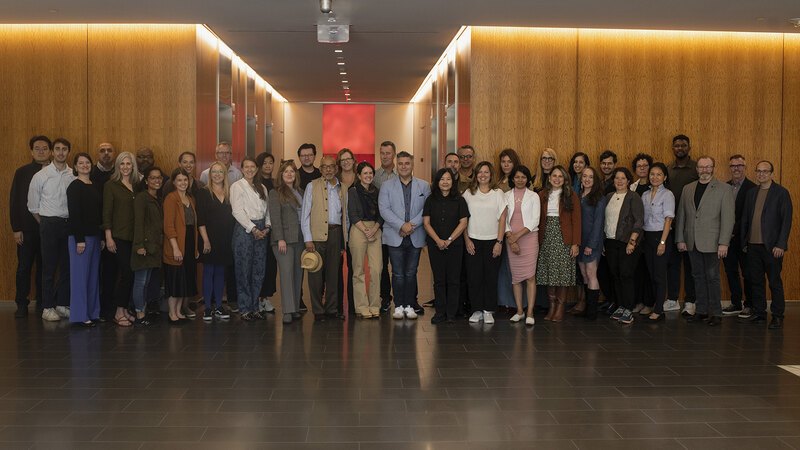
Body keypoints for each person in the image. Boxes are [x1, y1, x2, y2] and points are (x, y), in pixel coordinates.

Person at [675, 156, 734, 327]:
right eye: (701, 167)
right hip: (691, 241)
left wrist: (724, 243)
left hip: (713, 242)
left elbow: (728, 218)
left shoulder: (724, 189)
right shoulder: (688, 189)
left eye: (708, 167)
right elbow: (682, 216)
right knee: (697, 276)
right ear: (697, 169)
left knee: (713, 277)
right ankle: (701, 311)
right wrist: (680, 238)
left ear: (713, 168)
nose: (704, 170)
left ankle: (715, 312)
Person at [740, 161, 793, 329]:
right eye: (759, 171)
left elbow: (786, 221)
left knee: (774, 282)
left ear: (772, 173)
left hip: (772, 247)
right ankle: (760, 313)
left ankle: (777, 315)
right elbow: (746, 220)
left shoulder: (781, 193)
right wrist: (744, 242)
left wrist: (781, 244)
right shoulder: (751, 193)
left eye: (765, 171)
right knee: (756, 281)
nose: (761, 174)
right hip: (753, 246)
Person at [379, 151, 431, 320]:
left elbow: (426, 210)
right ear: (397, 164)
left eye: (407, 163)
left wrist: (410, 226)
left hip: (415, 235)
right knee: (398, 273)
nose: (403, 166)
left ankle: (410, 305)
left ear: (412, 164)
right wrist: (401, 225)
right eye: (400, 163)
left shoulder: (423, 186)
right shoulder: (387, 185)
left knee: (411, 272)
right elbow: (384, 209)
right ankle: (399, 306)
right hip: (395, 234)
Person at [28, 137, 75, 322]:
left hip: (68, 224)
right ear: (52, 152)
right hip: (48, 224)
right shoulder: (41, 175)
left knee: (67, 267)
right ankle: (47, 307)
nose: (61, 152)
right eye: (57, 149)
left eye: (64, 149)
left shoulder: (74, 174)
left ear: (68, 152)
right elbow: (33, 207)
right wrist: (46, 223)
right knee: (48, 268)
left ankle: (62, 304)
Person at [301, 155, 347, 321]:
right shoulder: (311, 186)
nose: (328, 169)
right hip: (317, 236)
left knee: (333, 274)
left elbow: (344, 216)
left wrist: (343, 240)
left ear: (336, 169)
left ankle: (331, 309)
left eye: (331, 166)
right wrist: (308, 238)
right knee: (315, 276)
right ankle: (318, 311)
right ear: (320, 169)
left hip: (336, 234)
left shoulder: (343, 188)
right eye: (324, 167)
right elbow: (305, 215)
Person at [10, 135, 51, 318]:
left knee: (45, 267)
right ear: (31, 151)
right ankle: (21, 303)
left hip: (49, 229)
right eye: (37, 148)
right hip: (26, 230)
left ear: (50, 151)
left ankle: (43, 302)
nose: (41, 151)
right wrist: (16, 228)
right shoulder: (22, 172)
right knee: (24, 267)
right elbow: (15, 200)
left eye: (44, 148)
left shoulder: (56, 171)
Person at [423, 169, 469, 323]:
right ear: (437, 181)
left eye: (448, 179)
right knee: (439, 280)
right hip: (435, 245)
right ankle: (440, 313)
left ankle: (451, 313)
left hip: (455, 246)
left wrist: (448, 240)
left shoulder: (460, 200)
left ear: (452, 181)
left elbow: (463, 223)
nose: (445, 182)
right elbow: (426, 223)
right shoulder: (430, 200)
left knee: (454, 280)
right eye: (442, 179)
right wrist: (438, 240)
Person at [463, 161, 506, 325]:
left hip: (493, 241)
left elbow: (502, 218)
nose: (482, 175)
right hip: (473, 240)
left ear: (491, 174)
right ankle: (476, 309)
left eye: (486, 172)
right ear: (476, 174)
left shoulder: (498, 193)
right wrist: (466, 239)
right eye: (480, 172)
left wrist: (499, 242)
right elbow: (463, 219)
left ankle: (488, 310)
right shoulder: (468, 193)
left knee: (490, 277)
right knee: (474, 277)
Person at [537, 165, 581, 323]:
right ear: (549, 178)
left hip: (564, 239)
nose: (557, 179)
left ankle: (560, 308)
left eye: (560, 176)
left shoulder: (571, 195)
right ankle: (552, 306)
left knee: (561, 275)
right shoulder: (542, 194)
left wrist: (575, 243)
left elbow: (576, 221)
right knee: (549, 274)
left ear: (565, 179)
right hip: (547, 236)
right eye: (554, 176)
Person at [102, 152, 140, 327]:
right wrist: (108, 237)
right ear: (118, 166)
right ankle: (118, 312)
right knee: (126, 274)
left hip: (135, 237)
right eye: (122, 164)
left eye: (129, 164)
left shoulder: (137, 185)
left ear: (133, 166)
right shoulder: (111, 185)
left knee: (131, 275)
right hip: (119, 237)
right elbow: (107, 213)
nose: (125, 167)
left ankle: (124, 309)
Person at [231, 158, 271, 321]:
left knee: (258, 270)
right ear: (241, 169)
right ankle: (245, 308)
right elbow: (237, 212)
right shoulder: (237, 186)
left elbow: (267, 210)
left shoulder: (262, 187)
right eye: (246, 166)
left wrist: (267, 227)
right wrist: (253, 228)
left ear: (257, 169)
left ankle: (255, 306)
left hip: (262, 230)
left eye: (252, 167)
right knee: (244, 270)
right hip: (244, 230)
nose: (249, 169)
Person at [66, 153, 103, 327]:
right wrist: (79, 239)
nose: (85, 165)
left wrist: (101, 237)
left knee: (93, 277)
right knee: (80, 278)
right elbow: (75, 215)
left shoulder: (95, 186)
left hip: (95, 237)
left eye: (87, 162)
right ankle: (80, 315)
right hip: (79, 238)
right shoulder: (74, 187)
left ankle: (93, 312)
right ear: (75, 166)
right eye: (80, 163)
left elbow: (98, 214)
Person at [604, 167, 644, 325]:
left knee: (626, 275)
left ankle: (628, 308)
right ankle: (620, 305)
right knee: (615, 274)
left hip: (627, 242)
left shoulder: (634, 197)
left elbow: (639, 220)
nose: (619, 181)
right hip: (611, 242)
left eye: (623, 178)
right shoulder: (608, 197)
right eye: (617, 178)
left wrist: (632, 241)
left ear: (628, 181)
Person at [197, 162, 235, 321]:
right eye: (214, 172)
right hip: (209, 239)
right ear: (210, 174)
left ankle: (219, 306)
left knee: (221, 272)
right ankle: (207, 308)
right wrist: (205, 240)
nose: (217, 174)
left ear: (225, 174)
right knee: (209, 272)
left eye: (221, 171)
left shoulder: (229, 192)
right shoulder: (203, 193)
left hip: (226, 239)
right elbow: (201, 219)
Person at [666, 134, 698, 315]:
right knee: (673, 264)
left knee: (691, 264)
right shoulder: (668, 169)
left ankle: (690, 301)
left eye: (683, 145)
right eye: (676, 146)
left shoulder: (695, 168)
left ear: (689, 148)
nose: (680, 148)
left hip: (691, 224)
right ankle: (672, 299)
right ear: (673, 148)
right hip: (671, 224)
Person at [269, 161, 305, 324]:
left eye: (292, 171)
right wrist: (280, 238)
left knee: (298, 273)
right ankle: (287, 311)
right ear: (281, 175)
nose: (289, 174)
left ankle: (295, 307)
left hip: (300, 238)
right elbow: (275, 218)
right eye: (286, 172)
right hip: (283, 240)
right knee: (286, 274)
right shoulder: (275, 193)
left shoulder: (301, 191)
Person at [504, 165, 540, 325]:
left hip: (529, 238)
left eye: (523, 177)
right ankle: (519, 311)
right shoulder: (505, 195)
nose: (520, 180)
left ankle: (530, 312)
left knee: (530, 277)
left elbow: (535, 220)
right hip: (510, 238)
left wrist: (516, 238)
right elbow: (502, 219)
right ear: (512, 179)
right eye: (517, 177)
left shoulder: (534, 196)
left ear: (528, 179)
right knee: (516, 278)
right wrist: (510, 238)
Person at [163, 168, 200, 324]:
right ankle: (172, 313)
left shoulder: (191, 199)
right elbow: (168, 226)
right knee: (175, 280)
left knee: (184, 280)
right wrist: (175, 247)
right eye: (179, 180)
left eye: (185, 180)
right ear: (173, 182)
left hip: (190, 243)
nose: (183, 183)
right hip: (176, 244)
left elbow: (194, 225)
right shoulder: (171, 199)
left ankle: (178, 311)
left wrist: (196, 247)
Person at [348, 161, 384, 319]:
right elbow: (353, 214)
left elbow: (382, 213)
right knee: (358, 270)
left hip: (375, 229)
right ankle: (361, 306)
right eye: (365, 173)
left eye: (371, 173)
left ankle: (375, 305)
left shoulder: (378, 191)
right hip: (358, 229)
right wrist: (365, 230)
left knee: (377, 269)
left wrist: (374, 229)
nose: (368, 176)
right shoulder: (353, 191)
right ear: (359, 175)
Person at [723, 154, 756, 317]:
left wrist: (734, 231)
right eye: (733, 166)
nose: (736, 168)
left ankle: (749, 304)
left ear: (745, 167)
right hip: (726, 240)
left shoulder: (753, 188)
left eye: (739, 165)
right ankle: (736, 303)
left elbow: (749, 217)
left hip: (744, 239)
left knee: (747, 272)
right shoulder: (724, 187)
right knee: (730, 271)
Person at [640, 163, 675, 322]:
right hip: (647, 236)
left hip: (661, 236)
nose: (655, 177)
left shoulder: (667, 195)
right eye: (652, 174)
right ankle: (655, 304)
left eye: (659, 174)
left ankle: (659, 310)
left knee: (660, 275)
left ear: (665, 177)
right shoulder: (645, 195)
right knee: (651, 274)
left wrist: (662, 241)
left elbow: (668, 220)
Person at [131, 167, 164, 327]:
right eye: (153, 178)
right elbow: (138, 222)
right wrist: (139, 245)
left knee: (148, 281)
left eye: (159, 178)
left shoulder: (158, 198)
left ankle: (142, 310)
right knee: (141, 281)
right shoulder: (141, 198)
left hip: (154, 248)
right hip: (144, 247)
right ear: (146, 181)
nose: (156, 181)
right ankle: (139, 313)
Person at [495, 148, 524, 311]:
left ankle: (517, 304)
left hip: (519, 232)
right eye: (503, 161)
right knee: (503, 268)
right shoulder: (497, 182)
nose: (506, 164)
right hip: (501, 230)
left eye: (509, 161)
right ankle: (504, 301)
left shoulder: (521, 180)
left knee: (517, 269)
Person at [91, 142, 116, 322]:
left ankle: (109, 308)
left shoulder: (118, 174)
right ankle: (95, 308)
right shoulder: (90, 173)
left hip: (115, 231)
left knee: (110, 271)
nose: (106, 154)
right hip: (93, 230)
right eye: (102, 151)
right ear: (97, 154)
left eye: (109, 151)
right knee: (93, 272)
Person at [577, 167, 607, 320]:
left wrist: (592, 244)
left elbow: (598, 223)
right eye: (584, 176)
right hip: (579, 242)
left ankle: (592, 312)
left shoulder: (599, 198)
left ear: (595, 181)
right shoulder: (578, 196)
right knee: (584, 275)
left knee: (591, 273)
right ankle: (587, 307)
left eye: (590, 177)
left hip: (591, 242)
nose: (587, 179)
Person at [374, 141, 397, 312]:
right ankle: (385, 298)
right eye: (382, 153)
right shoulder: (374, 176)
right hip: (380, 228)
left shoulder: (402, 174)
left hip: (398, 229)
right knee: (382, 266)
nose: (385, 156)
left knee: (399, 267)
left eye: (388, 153)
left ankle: (405, 298)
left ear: (394, 154)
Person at [629, 153, 653, 315]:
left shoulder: (656, 186)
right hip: (636, 235)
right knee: (636, 270)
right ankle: (637, 301)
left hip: (651, 234)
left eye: (645, 166)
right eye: (639, 166)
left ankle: (649, 303)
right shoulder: (632, 187)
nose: (642, 168)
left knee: (649, 270)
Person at [256, 152, 277, 314]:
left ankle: (266, 298)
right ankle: (257, 298)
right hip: (259, 228)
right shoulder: (255, 183)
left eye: (271, 162)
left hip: (273, 229)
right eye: (265, 163)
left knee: (271, 264)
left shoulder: (276, 183)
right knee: (259, 263)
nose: (268, 166)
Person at [336, 148, 356, 316]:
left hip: (356, 229)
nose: (346, 162)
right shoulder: (334, 181)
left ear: (353, 160)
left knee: (354, 267)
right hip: (337, 229)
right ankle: (337, 305)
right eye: (342, 160)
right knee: (336, 267)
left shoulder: (361, 178)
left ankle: (353, 302)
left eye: (348, 158)